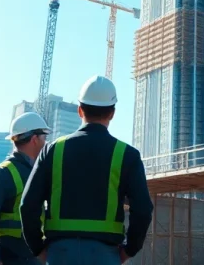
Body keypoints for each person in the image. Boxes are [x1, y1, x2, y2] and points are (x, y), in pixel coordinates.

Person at [20, 75, 153, 264]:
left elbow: (28, 205)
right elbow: (143, 209)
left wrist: (37, 248)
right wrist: (129, 250)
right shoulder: (127, 155)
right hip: (105, 255)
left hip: (60, 253)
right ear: (112, 113)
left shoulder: (53, 150)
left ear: (79, 110)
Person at [0, 112, 52, 265]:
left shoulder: (36, 173)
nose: (46, 143)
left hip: (31, 257)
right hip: (10, 257)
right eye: (44, 138)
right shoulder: (4, 173)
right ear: (35, 139)